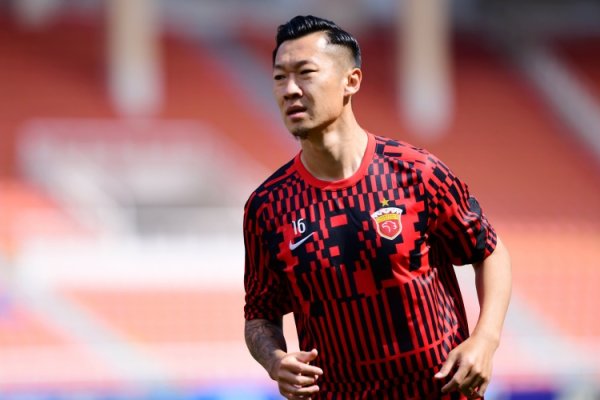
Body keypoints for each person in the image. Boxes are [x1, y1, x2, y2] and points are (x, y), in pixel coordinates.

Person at [243, 15, 511, 400]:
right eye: (279, 77)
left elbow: (489, 252)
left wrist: (485, 340)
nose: (290, 89)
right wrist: (275, 361)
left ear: (351, 81)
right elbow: (259, 314)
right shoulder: (268, 207)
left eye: (305, 73)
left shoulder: (417, 172)